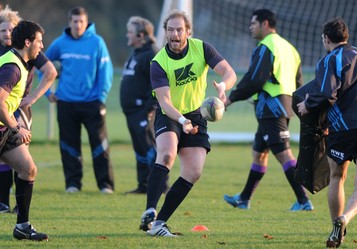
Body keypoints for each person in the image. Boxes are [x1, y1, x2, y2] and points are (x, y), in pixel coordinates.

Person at [139, 9, 236, 237]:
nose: (175, 34)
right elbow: (164, 101)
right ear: (165, 33)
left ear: (188, 32)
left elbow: (228, 72)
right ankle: (150, 210)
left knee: (193, 171)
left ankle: (159, 223)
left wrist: (223, 86)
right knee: (167, 154)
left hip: (197, 114)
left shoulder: (201, 48)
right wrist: (182, 121)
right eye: (170, 29)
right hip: (170, 114)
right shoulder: (158, 62)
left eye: (179, 29)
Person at [297, 17, 357, 248]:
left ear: (326, 38)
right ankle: (345, 218)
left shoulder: (329, 59)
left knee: (338, 177)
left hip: (344, 129)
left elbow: (328, 93)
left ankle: (336, 229)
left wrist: (308, 105)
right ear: (346, 36)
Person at [223, 9, 313, 211]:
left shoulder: (266, 46)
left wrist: (230, 99)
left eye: (253, 23)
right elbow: (299, 82)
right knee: (259, 153)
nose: (250, 27)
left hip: (271, 107)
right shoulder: (290, 48)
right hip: (283, 106)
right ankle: (244, 199)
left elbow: (255, 80)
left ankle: (303, 200)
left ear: (265, 24)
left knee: (284, 154)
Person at [45, 6, 114, 194]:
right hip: (66, 102)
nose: (78, 25)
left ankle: (105, 185)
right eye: (74, 21)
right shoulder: (60, 43)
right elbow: (41, 65)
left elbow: (105, 74)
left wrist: (101, 98)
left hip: (92, 103)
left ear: (86, 22)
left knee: (100, 145)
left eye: (81, 21)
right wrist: (46, 92)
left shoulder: (97, 43)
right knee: (68, 145)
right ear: (69, 23)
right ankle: (72, 184)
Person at [0, 5, 57, 214]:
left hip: (5, 126)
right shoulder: (12, 67)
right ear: (27, 42)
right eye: (39, 41)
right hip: (7, 124)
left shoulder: (20, 61)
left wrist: (31, 99)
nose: (42, 46)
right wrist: (16, 128)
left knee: (28, 169)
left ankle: (22, 225)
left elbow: (51, 72)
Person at [120, 16, 168, 194]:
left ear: (141, 35)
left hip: (143, 112)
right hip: (133, 112)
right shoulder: (138, 52)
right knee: (140, 148)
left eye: (130, 32)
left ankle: (160, 186)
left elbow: (156, 86)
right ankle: (144, 185)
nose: (127, 35)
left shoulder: (151, 54)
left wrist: (149, 109)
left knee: (150, 148)